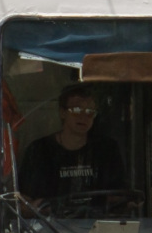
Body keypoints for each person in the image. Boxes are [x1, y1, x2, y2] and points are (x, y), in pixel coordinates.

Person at [18, 83, 124, 213]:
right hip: (48, 230)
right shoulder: (39, 151)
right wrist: (36, 208)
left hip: (98, 229)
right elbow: (23, 202)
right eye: (77, 110)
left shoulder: (107, 150)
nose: (84, 116)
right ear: (62, 113)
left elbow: (118, 197)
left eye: (90, 111)